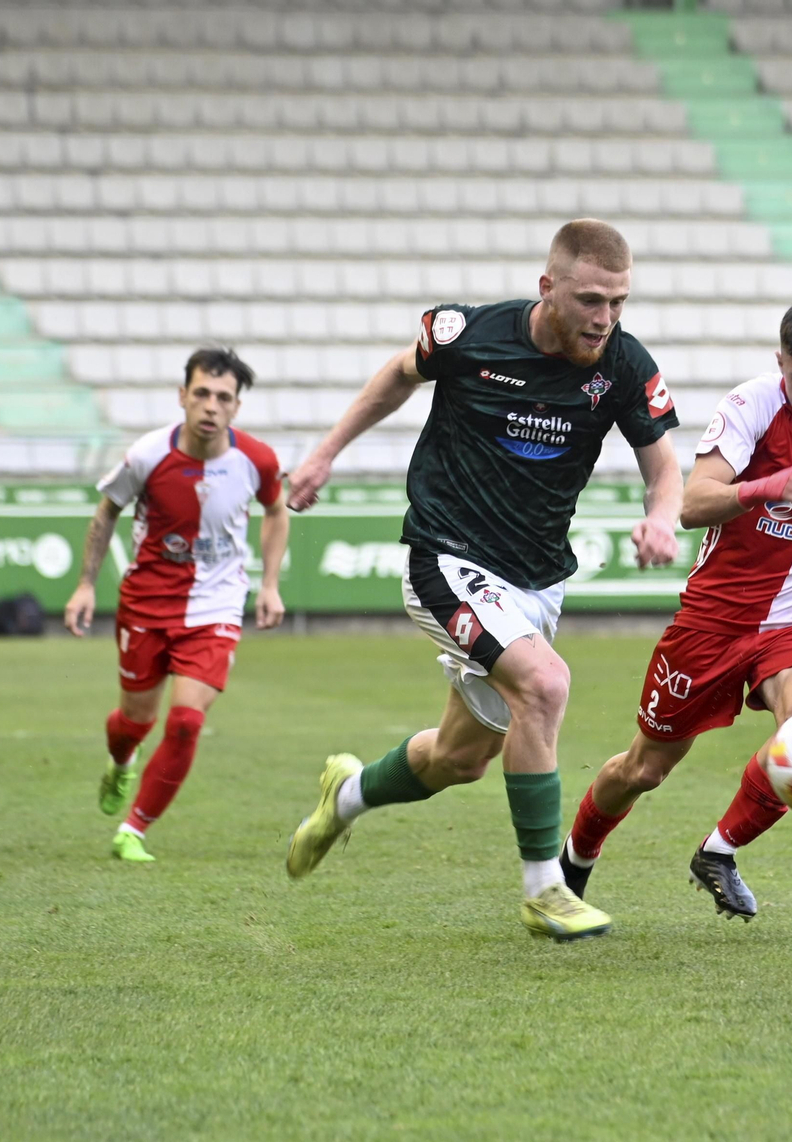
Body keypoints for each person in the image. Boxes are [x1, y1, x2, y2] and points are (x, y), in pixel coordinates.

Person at [283, 219, 682, 941]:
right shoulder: (469, 335)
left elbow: (664, 467)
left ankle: (346, 797)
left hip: (535, 578)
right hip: (447, 554)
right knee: (545, 685)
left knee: (460, 758)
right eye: (591, 300)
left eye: (619, 301)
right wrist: (325, 453)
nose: (605, 318)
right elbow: (399, 374)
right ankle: (545, 889)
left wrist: (661, 516)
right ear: (548, 287)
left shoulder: (624, 365)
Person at [560, 293, 792, 920]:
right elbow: (692, 503)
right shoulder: (752, 405)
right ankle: (575, 860)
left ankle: (719, 850)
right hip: (715, 619)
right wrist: (764, 486)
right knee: (645, 768)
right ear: (780, 362)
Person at [64, 347, 286, 863]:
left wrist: (270, 584)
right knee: (133, 723)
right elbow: (106, 512)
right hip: (146, 604)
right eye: (202, 393)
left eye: (223, 398)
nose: (211, 405)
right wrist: (85, 585)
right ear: (182, 396)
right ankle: (122, 763)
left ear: (236, 407)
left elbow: (277, 510)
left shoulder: (256, 460)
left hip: (216, 607)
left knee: (186, 721)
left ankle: (133, 829)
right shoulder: (147, 455)